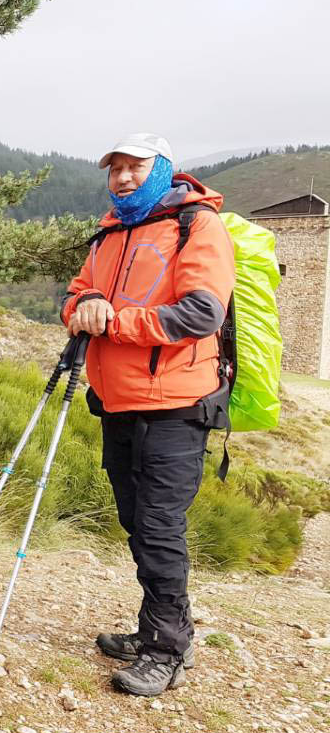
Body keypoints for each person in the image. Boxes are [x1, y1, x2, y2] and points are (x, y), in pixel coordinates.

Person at [63, 133, 233, 696]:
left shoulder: (197, 226)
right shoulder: (110, 231)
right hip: (117, 404)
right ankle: (153, 628)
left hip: (177, 407)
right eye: (114, 170)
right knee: (137, 522)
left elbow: (201, 313)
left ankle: (166, 647)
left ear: (162, 168)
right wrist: (80, 308)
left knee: (159, 529)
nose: (123, 178)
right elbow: (78, 295)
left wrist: (112, 321)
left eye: (135, 168)